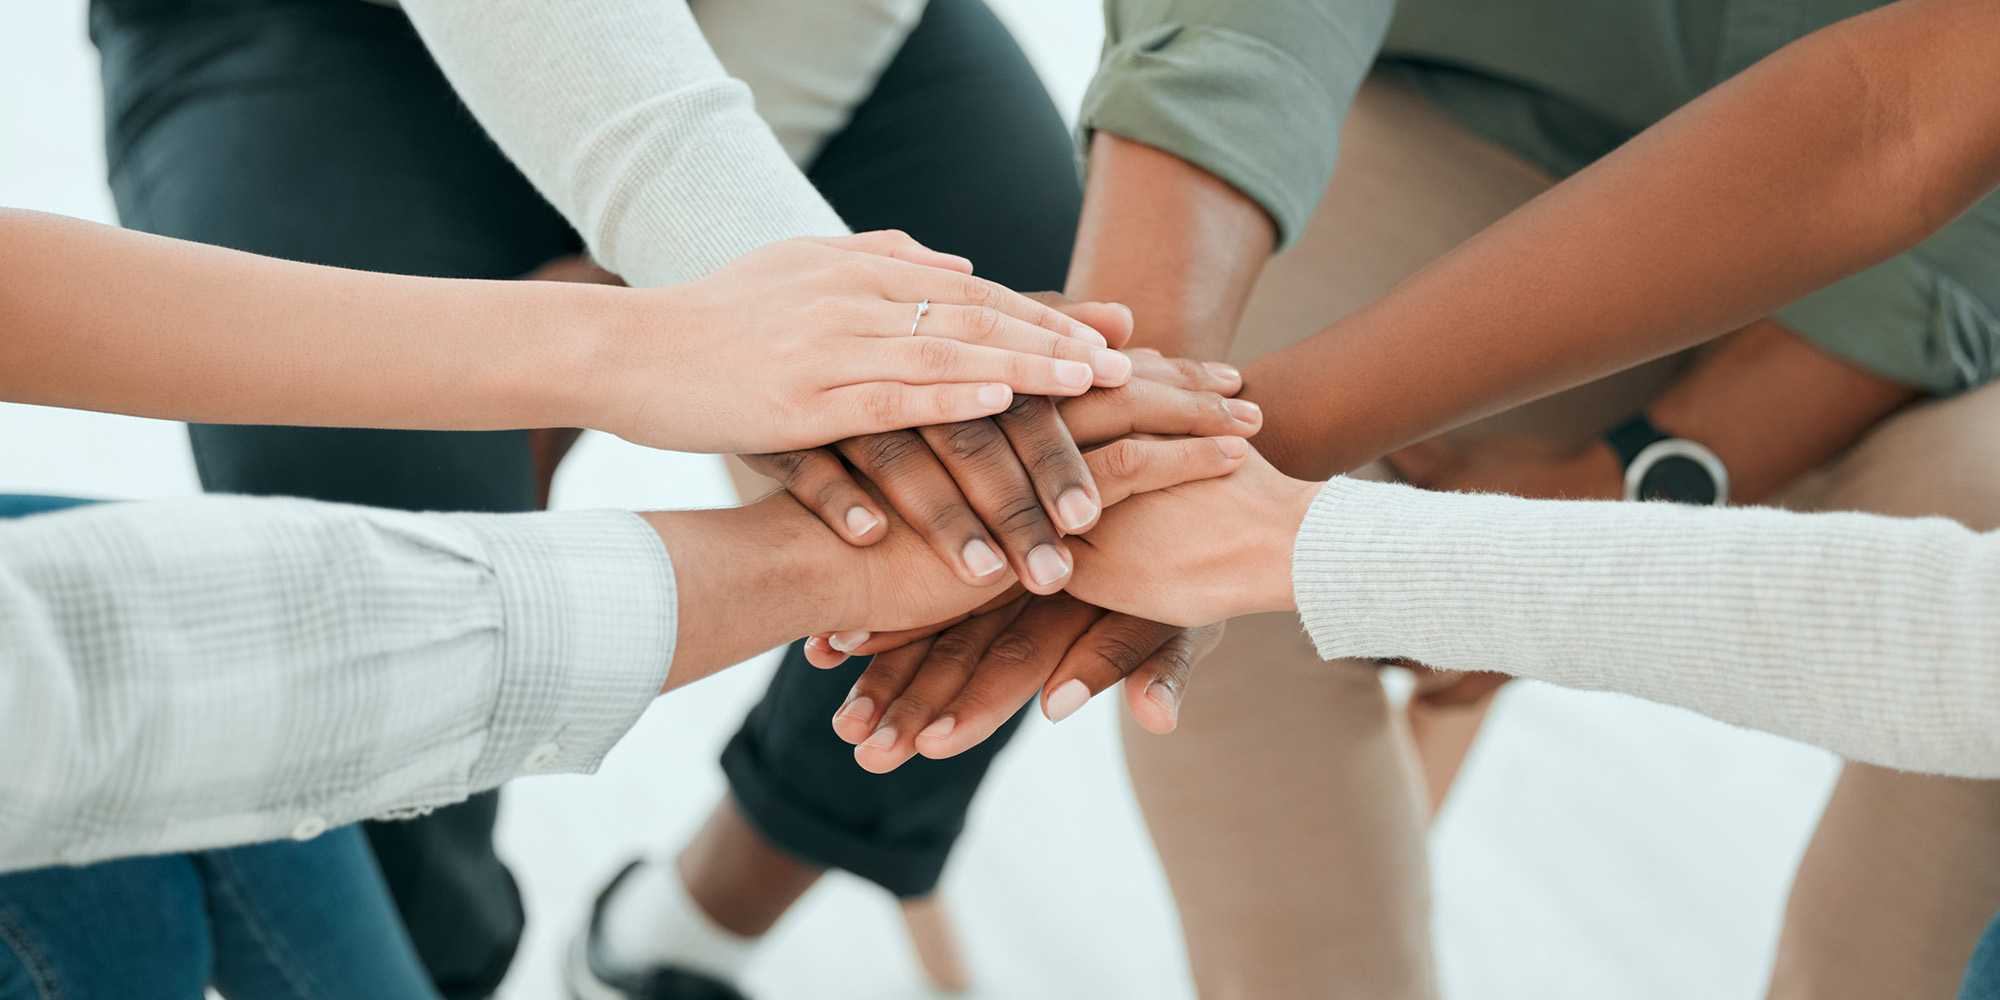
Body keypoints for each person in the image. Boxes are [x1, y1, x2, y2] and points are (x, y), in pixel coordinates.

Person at [816, 0, 2000, 994]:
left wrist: (1626, 475)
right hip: (1481, 101)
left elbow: (1909, 119)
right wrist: (1139, 404)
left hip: (1954, 286)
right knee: (1187, 585)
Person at [80, 0, 1257, 995]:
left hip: (800, 19)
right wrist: (688, 281)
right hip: (309, 28)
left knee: (1048, 438)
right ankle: (423, 961)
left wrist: (683, 287)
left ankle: (695, 920)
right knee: (356, 536)